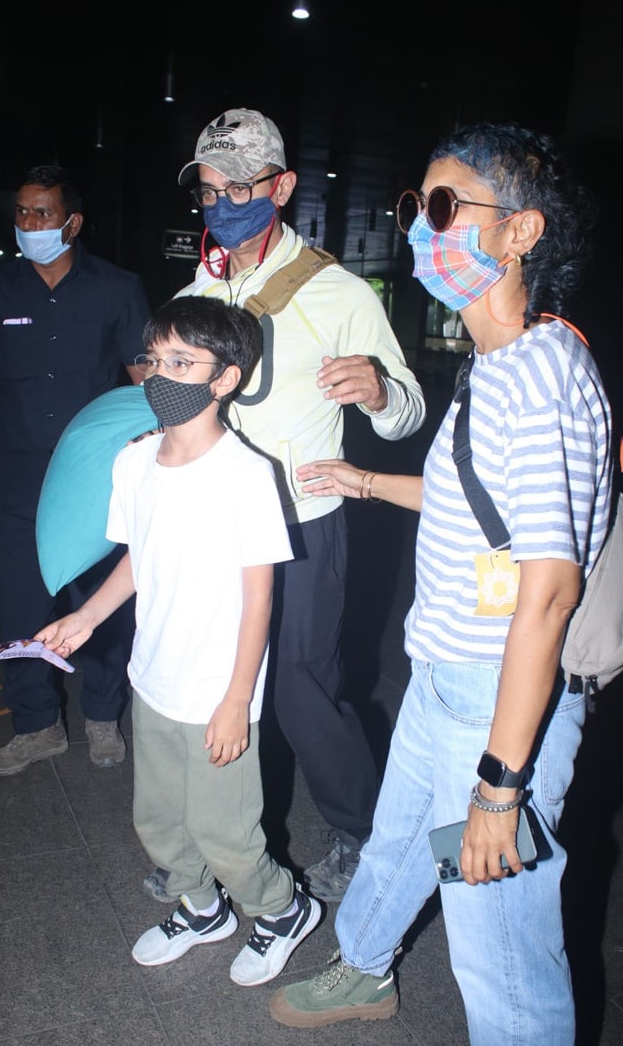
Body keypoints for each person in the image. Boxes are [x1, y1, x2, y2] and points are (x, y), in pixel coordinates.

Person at [267, 122, 613, 1043]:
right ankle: (365, 969)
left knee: (497, 941)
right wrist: (368, 481)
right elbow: (475, 499)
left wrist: (501, 786)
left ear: (521, 233)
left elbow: (547, 589)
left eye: (448, 206)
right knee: (393, 846)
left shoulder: (536, 376)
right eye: (416, 206)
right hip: (445, 674)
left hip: (500, 702)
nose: (423, 225)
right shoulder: (494, 362)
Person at [144, 107, 426, 904]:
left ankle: (362, 832)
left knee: (303, 690)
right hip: (210, 527)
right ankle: (205, 846)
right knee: (205, 683)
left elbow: (406, 410)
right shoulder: (195, 291)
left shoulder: (336, 291)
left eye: (242, 184)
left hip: (302, 523)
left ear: (283, 186)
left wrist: (377, 391)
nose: (225, 200)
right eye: (210, 188)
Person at [35, 295, 322, 986]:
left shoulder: (246, 476)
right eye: (155, 359)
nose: (160, 375)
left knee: (227, 833)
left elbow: (261, 597)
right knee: (159, 823)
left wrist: (236, 700)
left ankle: (282, 911)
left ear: (226, 379)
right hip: (155, 675)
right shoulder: (134, 462)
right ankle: (201, 911)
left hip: (217, 688)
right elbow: (138, 556)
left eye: (182, 362)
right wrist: (89, 617)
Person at [0, 165, 151, 775]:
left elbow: (146, 381)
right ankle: (36, 722)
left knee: (98, 598)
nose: (28, 225)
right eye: (21, 213)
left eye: (42, 214)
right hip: (21, 478)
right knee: (21, 603)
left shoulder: (117, 289)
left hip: (96, 478)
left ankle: (103, 716)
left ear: (71, 223)